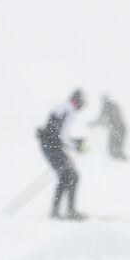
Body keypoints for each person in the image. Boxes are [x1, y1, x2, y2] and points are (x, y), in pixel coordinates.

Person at [37, 89, 87, 220]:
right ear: (78, 102)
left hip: (48, 145)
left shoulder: (63, 107)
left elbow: (57, 132)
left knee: (65, 176)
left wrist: (74, 142)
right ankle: (70, 211)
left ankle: (56, 211)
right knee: (72, 176)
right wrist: (76, 146)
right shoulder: (69, 110)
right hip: (52, 147)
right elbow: (63, 136)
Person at [88, 94, 128, 160]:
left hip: (115, 129)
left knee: (112, 150)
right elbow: (115, 117)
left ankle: (118, 162)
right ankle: (122, 160)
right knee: (118, 149)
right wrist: (107, 123)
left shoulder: (106, 107)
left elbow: (101, 119)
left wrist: (92, 124)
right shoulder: (114, 105)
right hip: (122, 128)